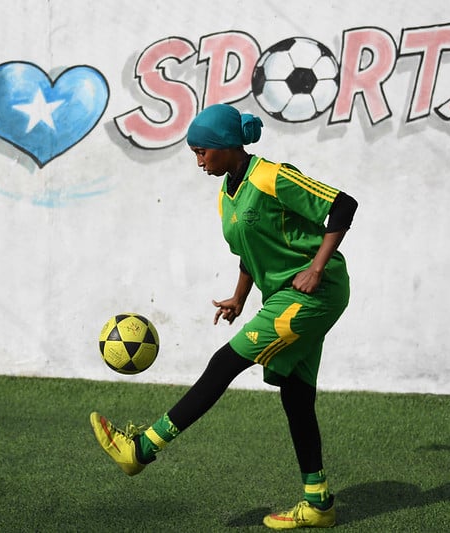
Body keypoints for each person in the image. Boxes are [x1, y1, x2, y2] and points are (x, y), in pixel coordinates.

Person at [90, 103, 358, 529]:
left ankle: (141, 450)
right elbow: (251, 251)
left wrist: (317, 267)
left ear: (228, 146)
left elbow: (343, 205)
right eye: (194, 154)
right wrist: (238, 297)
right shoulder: (226, 196)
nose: (199, 162)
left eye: (202, 152)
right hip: (284, 297)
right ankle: (318, 503)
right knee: (296, 395)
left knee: (224, 363)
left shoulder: (271, 176)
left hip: (313, 294)